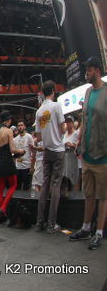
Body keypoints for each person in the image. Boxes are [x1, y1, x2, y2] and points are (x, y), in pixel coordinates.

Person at [70, 57, 107, 250]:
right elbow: (85, 119)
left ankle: (99, 231)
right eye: (86, 71)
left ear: (98, 71)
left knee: (103, 196)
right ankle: (85, 228)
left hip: (103, 155)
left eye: (90, 70)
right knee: (89, 194)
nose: (87, 74)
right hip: (87, 154)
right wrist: (78, 140)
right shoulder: (87, 91)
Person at [34, 80, 67, 233]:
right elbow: (63, 128)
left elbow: (38, 137)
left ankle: (40, 221)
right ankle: (51, 223)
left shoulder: (39, 112)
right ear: (53, 91)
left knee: (45, 185)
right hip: (58, 150)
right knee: (55, 186)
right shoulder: (56, 106)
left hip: (46, 151)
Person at [0, 110, 24, 223]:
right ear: (8, 120)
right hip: (7, 161)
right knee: (13, 185)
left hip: (0, 161)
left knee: (0, 188)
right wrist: (20, 150)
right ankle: (3, 208)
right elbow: (12, 149)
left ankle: (2, 214)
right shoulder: (9, 132)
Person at [62, 115, 80, 198]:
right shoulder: (65, 134)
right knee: (65, 177)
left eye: (70, 122)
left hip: (72, 158)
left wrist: (71, 145)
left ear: (72, 123)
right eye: (67, 122)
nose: (68, 124)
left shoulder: (76, 134)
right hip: (65, 158)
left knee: (72, 178)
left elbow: (78, 147)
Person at [13, 119, 34, 190]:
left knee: (26, 188)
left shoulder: (29, 137)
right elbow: (14, 154)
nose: (20, 127)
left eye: (21, 125)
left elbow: (33, 152)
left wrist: (32, 167)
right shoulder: (15, 139)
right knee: (17, 187)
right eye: (18, 126)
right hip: (18, 167)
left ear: (25, 126)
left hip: (26, 166)